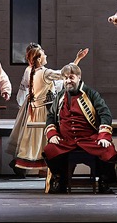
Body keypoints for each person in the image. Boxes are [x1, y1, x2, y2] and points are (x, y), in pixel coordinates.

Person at [7, 44, 88, 174]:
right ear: (39, 59)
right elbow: (65, 73)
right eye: (43, 54)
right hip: (43, 111)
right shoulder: (45, 72)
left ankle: (38, 167)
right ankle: (43, 167)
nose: (46, 55)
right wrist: (77, 59)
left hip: (34, 110)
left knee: (35, 140)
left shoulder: (31, 70)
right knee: (45, 139)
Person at [43, 62, 117, 193]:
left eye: (71, 77)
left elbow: (105, 113)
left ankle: (104, 182)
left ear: (79, 77)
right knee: (49, 149)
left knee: (108, 149)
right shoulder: (60, 96)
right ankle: (60, 181)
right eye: (65, 78)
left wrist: (103, 136)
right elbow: (50, 116)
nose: (68, 81)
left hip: (88, 139)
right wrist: (53, 134)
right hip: (66, 140)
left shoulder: (91, 94)